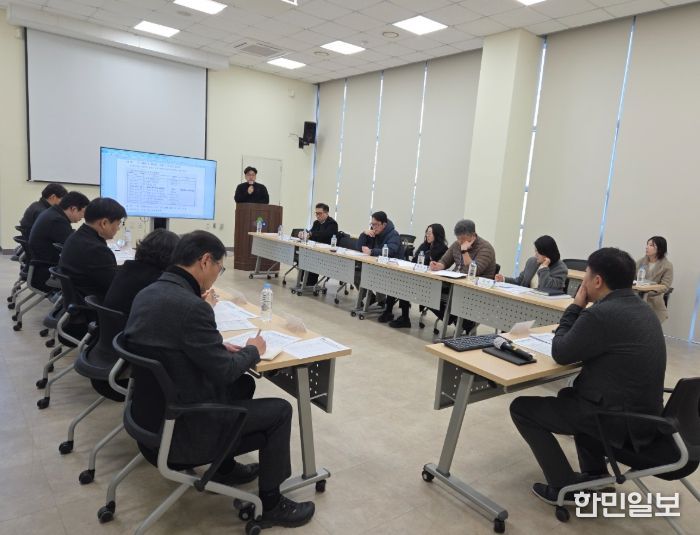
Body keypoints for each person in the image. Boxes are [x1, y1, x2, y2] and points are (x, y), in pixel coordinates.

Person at [124, 230, 315, 528]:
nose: (217, 276)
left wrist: (215, 346)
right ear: (205, 261)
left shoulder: (148, 293)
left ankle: (224, 468)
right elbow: (225, 371)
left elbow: (172, 345)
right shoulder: (193, 307)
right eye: (219, 268)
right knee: (280, 410)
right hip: (182, 432)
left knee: (244, 384)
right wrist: (253, 350)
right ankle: (272, 504)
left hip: (148, 418)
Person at [510, 247, 666, 506]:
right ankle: (596, 476)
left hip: (616, 422)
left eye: (586, 275)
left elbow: (561, 352)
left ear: (597, 281)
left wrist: (575, 306)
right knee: (570, 395)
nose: (582, 281)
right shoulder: (643, 309)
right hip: (645, 419)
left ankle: (564, 487)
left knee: (522, 408)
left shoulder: (601, 314)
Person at [429, 219, 497, 333]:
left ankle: (463, 323)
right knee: (430, 290)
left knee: (452, 297)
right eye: (458, 238)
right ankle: (453, 319)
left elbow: (473, 271)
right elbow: (445, 261)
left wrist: (465, 251)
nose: (460, 242)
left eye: (463, 239)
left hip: (476, 290)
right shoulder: (457, 244)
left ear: (473, 235)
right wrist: (438, 266)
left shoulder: (486, 248)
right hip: (456, 284)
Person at [379, 224, 449, 328]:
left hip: (430, 282)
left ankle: (405, 319)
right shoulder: (424, 245)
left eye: (430, 233)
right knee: (396, 281)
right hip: (417, 276)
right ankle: (388, 311)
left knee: (404, 286)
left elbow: (435, 266)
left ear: (437, 235)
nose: (427, 235)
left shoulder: (443, 249)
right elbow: (415, 260)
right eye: (427, 232)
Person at [59, 197, 127, 301]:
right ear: (104, 223)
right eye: (118, 224)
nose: (118, 229)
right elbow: (116, 288)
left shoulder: (77, 236)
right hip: (94, 304)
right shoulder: (97, 250)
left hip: (79, 297)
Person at [103, 229, 180, 315]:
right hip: (130, 322)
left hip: (112, 321)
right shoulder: (155, 281)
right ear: (170, 256)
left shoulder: (128, 268)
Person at [27, 191, 90, 291]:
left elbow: (72, 240)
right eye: (83, 212)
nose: (83, 217)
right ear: (73, 209)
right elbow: (76, 247)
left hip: (42, 267)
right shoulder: (57, 220)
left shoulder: (53, 213)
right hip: (48, 273)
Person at [495, 235, 567, 291]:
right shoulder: (532, 262)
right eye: (535, 251)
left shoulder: (560, 269)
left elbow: (546, 288)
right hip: (527, 299)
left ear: (547, 253)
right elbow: (519, 281)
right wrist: (503, 279)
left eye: (538, 252)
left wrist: (544, 268)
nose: (535, 254)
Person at [297, 203, 338, 286]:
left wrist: (311, 234)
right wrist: (304, 234)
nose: (317, 216)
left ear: (326, 213)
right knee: (304, 254)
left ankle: (310, 283)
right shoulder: (316, 223)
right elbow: (311, 232)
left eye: (320, 213)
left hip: (326, 252)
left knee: (312, 257)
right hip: (314, 249)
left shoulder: (332, 224)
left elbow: (324, 234)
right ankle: (302, 280)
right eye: (316, 213)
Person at [636, 236, 673, 323]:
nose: (647, 247)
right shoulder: (640, 262)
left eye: (651, 245)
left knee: (650, 328)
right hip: (637, 300)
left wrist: (647, 290)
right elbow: (631, 279)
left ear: (660, 249)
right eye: (647, 244)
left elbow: (665, 286)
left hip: (654, 302)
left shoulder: (667, 266)